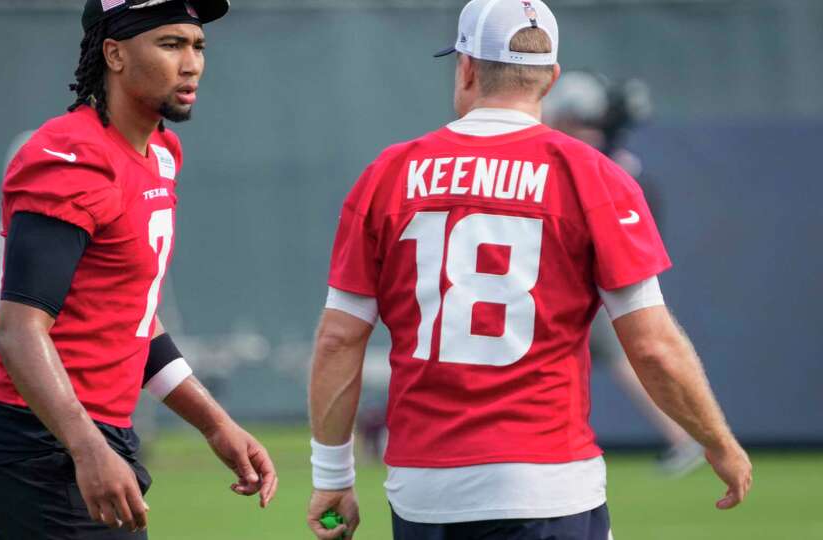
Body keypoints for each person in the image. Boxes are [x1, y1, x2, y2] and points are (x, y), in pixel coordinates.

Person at [305, 1, 751, 538]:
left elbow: (338, 339)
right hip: (547, 482)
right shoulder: (592, 176)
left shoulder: (388, 174)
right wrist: (716, 441)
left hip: (424, 489)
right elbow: (653, 344)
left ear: (467, 67)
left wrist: (333, 476)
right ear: (550, 78)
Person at [0, 1, 277, 538]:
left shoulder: (163, 153)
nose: (191, 63)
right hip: (33, 445)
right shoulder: (70, 156)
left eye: (198, 46)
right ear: (115, 54)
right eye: (170, 44)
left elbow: (136, 322)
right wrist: (88, 448)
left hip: (96, 433)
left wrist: (216, 426)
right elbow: (19, 331)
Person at [544, 71, 705, 475]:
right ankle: (685, 435)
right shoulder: (603, 151)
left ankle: (683, 436)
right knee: (620, 354)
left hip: (596, 270)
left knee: (631, 355)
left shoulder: (590, 152)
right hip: (597, 265)